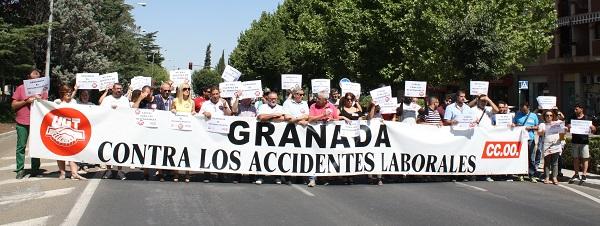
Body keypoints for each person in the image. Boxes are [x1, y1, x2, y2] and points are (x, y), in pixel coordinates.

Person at [11, 69, 46, 179]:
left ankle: (35, 169)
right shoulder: (21, 88)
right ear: (28, 78)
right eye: (33, 79)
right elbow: (13, 106)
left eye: (38, 78)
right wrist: (26, 101)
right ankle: (20, 170)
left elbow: (46, 106)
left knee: (36, 146)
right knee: (21, 147)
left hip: (37, 122)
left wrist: (41, 100)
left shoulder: (43, 90)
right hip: (22, 122)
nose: (35, 80)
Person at [256, 91, 291, 185]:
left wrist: (268, 118)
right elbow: (261, 117)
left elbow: (283, 118)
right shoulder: (263, 107)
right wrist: (273, 115)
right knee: (263, 155)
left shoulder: (280, 107)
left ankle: (277, 177)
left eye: (275, 98)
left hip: (278, 136)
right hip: (263, 136)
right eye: (271, 98)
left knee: (277, 155)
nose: (273, 100)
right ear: (267, 99)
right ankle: (260, 176)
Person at [307, 91, 340, 187]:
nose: (316, 99)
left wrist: (331, 120)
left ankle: (322, 177)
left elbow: (337, 119)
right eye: (316, 98)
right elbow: (310, 119)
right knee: (313, 155)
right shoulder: (313, 106)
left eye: (318, 98)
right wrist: (323, 116)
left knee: (324, 156)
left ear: (325, 100)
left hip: (328, 136)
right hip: (315, 135)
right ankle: (312, 178)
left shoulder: (332, 106)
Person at [199, 87, 232, 183]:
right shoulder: (205, 104)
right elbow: (199, 115)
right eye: (213, 94)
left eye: (217, 94)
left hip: (221, 133)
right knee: (208, 152)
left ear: (219, 94)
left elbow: (229, 115)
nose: (215, 96)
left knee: (220, 152)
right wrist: (205, 112)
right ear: (210, 95)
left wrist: (225, 105)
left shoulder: (223, 103)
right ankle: (207, 174)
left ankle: (220, 174)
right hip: (209, 132)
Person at [54, 85, 87, 180]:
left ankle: (74, 173)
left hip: (73, 130)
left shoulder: (74, 102)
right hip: (60, 130)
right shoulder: (57, 102)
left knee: (73, 152)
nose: (68, 93)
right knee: (60, 152)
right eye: (66, 92)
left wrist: (75, 90)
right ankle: (62, 173)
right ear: (62, 93)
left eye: (69, 91)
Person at [99, 83, 129, 180]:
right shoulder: (107, 99)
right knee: (108, 149)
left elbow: (128, 113)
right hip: (109, 128)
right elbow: (101, 111)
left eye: (120, 88)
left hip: (121, 129)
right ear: (113, 89)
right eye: (117, 89)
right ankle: (108, 170)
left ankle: (119, 171)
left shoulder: (125, 100)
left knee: (120, 150)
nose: (119, 90)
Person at [566, 104, 597, 184]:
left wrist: (593, 128)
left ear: (581, 109)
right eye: (574, 109)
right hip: (575, 141)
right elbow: (567, 128)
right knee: (575, 158)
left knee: (585, 158)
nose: (575, 111)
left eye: (576, 109)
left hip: (584, 142)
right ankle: (576, 174)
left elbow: (594, 130)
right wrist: (568, 127)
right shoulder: (572, 118)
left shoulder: (587, 118)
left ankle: (584, 174)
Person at [171, 83, 196, 183]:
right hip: (177, 131)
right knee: (176, 152)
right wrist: (172, 110)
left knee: (187, 152)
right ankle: (176, 173)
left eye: (188, 89)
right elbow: (171, 111)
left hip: (188, 131)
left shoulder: (192, 102)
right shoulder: (175, 100)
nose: (187, 90)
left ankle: (187, 173)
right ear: (181, 90)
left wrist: (194, 113)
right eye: (185, 89)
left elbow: (194, 112)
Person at [513, 102, 540, 183]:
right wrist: (515, 125)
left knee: (531, 157)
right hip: (520, 139)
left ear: (528, 108)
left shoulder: (533, 115)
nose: (523, 111)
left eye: (524, 110)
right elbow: (514, 123)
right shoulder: (518, 114)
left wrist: (530, 127)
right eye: (522, 110)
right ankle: (520, 174)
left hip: (530, 138)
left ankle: (531, 175)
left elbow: (537, 126)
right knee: (521, 157)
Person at [538, 110, 565, 185]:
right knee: (547, 162)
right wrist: (542, 132)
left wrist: (564, 132)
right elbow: (539, 133)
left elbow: (562, 134)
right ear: (544, 116)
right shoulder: (542, 124)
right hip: (546, 144)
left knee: (555, 162)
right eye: (547, 115)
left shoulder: (557, 123)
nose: (549, 117)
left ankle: (554, 177)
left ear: (553, 116)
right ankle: (546, 177)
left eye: (550, 115)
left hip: (556, 144)